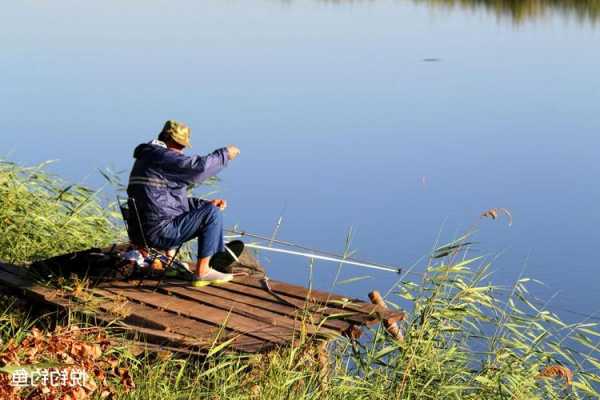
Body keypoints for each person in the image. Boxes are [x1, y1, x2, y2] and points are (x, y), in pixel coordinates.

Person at [127, 120, 240, 286]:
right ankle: (203, 272)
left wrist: (205, 204)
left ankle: (169, 261)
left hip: (141, 232)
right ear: (168, 139)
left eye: (183, 145)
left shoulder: (148, 157)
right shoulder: (162, 156)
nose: (182, 149)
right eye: (179, 145)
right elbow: (198, 168)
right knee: (212, 214)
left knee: (207, 208)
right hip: (159, 233)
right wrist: (225, 154)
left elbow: (167, 199)